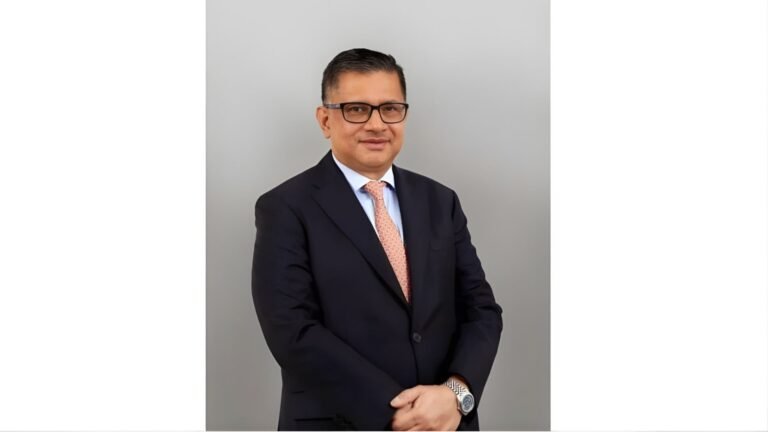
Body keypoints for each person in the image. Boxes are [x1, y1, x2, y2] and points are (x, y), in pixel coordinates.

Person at [252, 48, 503, 431]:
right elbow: (292, 331)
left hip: (444, 422)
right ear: (325, 120)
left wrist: (455, 394)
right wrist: (403, 415)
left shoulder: (440, 201)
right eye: (356, 109)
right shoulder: (285, 207)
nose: (376, 124)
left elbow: (481, 311)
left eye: (390, 109)